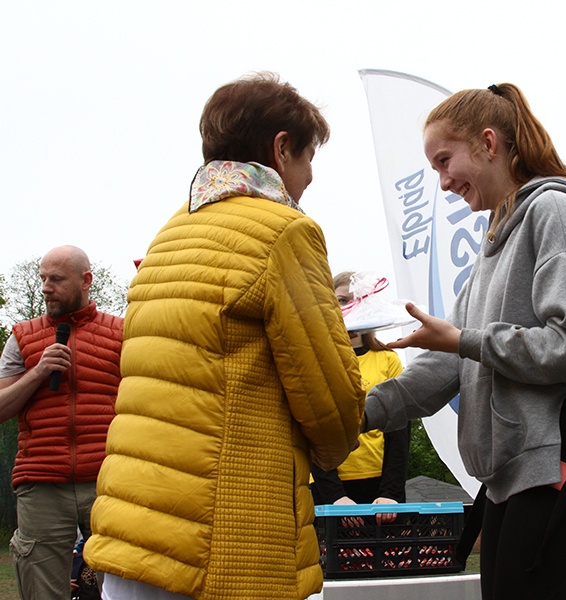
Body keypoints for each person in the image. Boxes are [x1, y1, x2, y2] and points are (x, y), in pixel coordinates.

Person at [84, 72, 366, 599]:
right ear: (281, 150)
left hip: (135, 531)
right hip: (224, 542)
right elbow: (331, 405)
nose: (309, 179)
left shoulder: (169, 233)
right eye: (309, 159)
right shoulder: (284, 230)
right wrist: (341, 439)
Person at [363, 82, 566, 599]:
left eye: (446, 161)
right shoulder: (491, 248)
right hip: (510, 475)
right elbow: (447, 363)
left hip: (562, 467)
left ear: (489, 144)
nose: (444, 183)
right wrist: (357, 413)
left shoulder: (554, 211)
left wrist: (467, 340)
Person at [0, 245, 123, 600]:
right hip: (40, 482)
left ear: (86, 281)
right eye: (43, 279)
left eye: (56, 279)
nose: (45, 287)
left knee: (121, 583)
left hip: (107, 479)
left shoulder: (122, 334)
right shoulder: (22, 337)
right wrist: (38, 372)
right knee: (40, 588)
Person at [310, 272, 409, 514]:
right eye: (342, 300)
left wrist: (390, 493)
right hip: (327, 486)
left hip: (379, 486)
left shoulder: (387, 359)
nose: (350, 307)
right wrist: (335, 496)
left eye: (359, 299)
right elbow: (311, 430)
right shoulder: (315, 360)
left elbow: (399, 430)